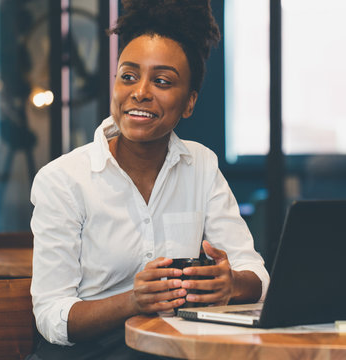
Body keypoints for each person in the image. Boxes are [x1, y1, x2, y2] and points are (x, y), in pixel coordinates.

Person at [27, 0, 269, 358]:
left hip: (172, 346)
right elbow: (52, 317)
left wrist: (229, 283)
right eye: (128, 76)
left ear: (189, 103)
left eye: (161, 81)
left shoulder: (200, 165)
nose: (140, 91)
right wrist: (133, 301)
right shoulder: (63, 180)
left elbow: (256, 276)